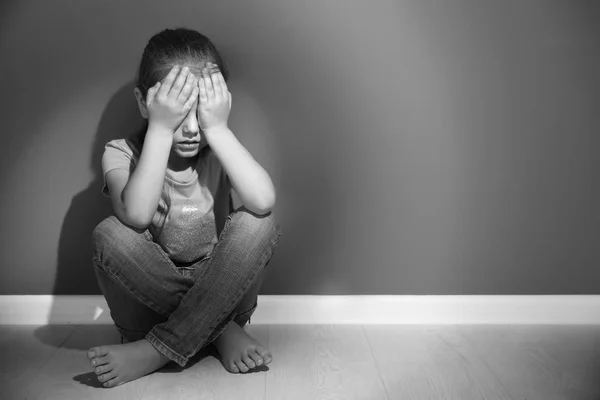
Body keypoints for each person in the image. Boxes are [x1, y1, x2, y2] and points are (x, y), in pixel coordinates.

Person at [86, 27, 282, 388]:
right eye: (178, 114)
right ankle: (219, 332)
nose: (192, 129)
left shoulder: (220, 150)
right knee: (109, 234)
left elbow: (263, 201)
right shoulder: (120, 153)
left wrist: (219, 130)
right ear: (145, 103)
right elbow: (137, 215)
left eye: (201, 113)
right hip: (147, 308)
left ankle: (157, 350)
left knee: (260, 224)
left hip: (222, 287)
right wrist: (159, 131)